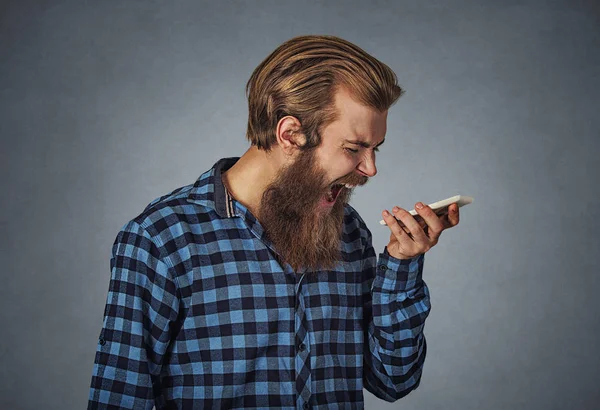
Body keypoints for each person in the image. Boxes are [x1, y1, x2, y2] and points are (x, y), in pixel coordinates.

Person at [88, 35, 460, 409]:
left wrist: (401, 266)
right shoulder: (161, 239)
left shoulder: (350, 233)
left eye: (374, 149)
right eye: (353, 148)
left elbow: (392, 380)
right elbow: (119, 399)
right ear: (290, 135)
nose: (370, 169)